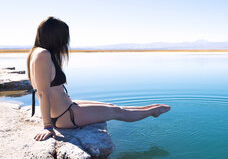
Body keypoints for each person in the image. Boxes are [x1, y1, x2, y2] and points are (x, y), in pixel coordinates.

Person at [27, 16, 171, 141]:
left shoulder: (35, 52)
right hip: (65, 116)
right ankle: (152, 111)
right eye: (63, 37)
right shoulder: (43, 55)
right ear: (55, 36)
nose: (65, 42)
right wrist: (47, 126)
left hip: (67, 108)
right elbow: (42, 92)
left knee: (113, 107)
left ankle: (150, 109)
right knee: (117, 112)